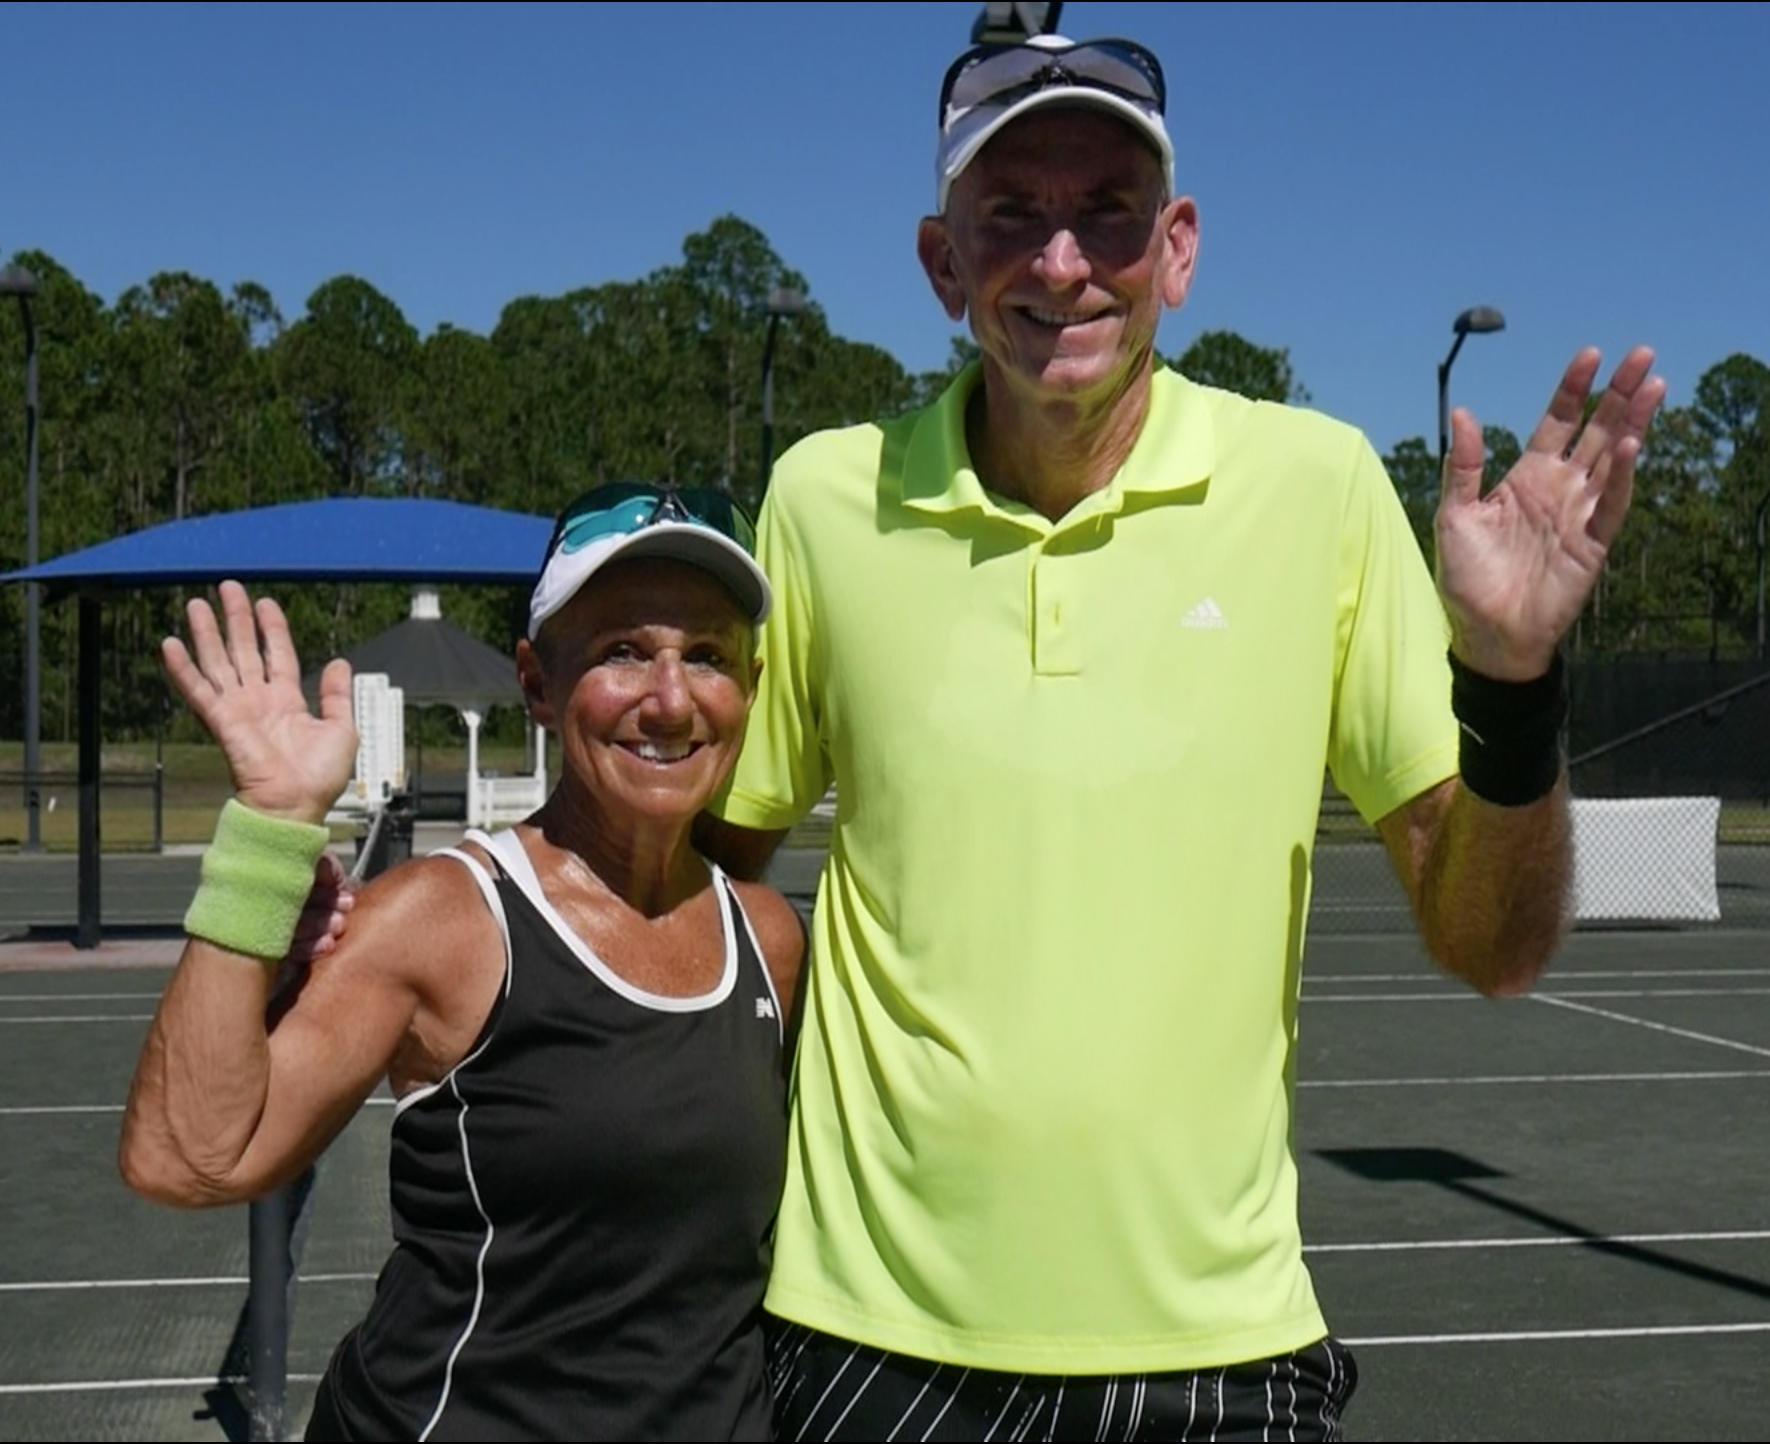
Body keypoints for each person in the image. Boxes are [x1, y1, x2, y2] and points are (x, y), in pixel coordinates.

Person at [684, 27, 1668, 1442]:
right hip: (864, 1342)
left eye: (1108, 214)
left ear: (1179, 246)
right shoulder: (824, 501)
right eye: (1010, 217)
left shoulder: (1315, 487)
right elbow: (702, 881)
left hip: (1217, 1359)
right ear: (941, 264)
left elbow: (1493, 945)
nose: (1064, 261)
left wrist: (1509, 682)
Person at [118, 483, 807, 1442]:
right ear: (537, 682)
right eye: (621, 653)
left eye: (708, 658)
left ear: (754, 687)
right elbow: (187, 1159)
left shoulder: (770, 940)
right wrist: (268, 835)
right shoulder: (447, 922)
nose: (670, 699)